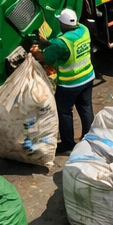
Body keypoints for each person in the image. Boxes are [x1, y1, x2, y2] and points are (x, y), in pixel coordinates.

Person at [35, 8, 94, 155]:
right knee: (85, 107)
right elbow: (60, 47)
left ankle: (68, 144)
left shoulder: (61, 43)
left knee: (64, 112)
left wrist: (35, 52)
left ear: (63, 25)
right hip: (87, 77)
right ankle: (90, 139)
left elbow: (46, 58)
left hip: (70, 83)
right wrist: (47, 43)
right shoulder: (83, 30)